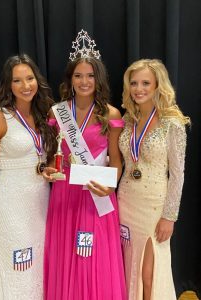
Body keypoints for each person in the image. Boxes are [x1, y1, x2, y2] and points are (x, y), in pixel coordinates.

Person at [43, 29, 127, 300]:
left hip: (96, 194)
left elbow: (116, 162)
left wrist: (109, 188)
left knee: (93, 259)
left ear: (98, 78)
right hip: (65, 194)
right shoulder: (57, 112)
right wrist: (48, 171)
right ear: (70, 78)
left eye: (90, 75)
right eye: (78, 75)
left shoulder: (110, 114)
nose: (84, 81)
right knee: (67, 256)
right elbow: (48, 157)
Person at [0, 53, 57, 299]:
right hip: (11, 209)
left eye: (30, 78)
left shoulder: (44, 115)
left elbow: (40, 161)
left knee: (38, 272)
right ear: (8, 85)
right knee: (17, 269)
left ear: (37, 80)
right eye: (17, 80)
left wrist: (46, 170)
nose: (25, 86)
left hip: (41, 204)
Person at [117, 58, 191, 300]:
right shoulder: (127, 120)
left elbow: (178, 175)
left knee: (148, 274)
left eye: (145, 83)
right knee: (128, 269)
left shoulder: (173, 123)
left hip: (154, 207)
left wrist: (169, 216)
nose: (139, 89)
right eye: (134, 83)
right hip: (126, 202)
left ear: (158, 85)